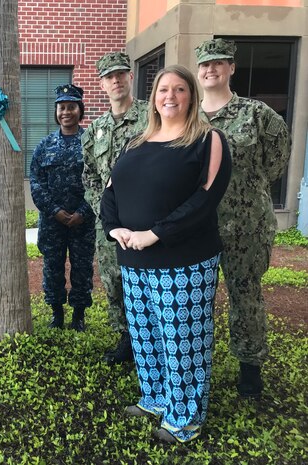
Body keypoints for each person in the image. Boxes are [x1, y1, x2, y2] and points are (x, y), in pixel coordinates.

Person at [100, 64, 232, 443]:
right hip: (134, 258)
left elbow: (205, 199)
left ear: (191, 96)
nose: (170, 97)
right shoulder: (135, 143)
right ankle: (156, 398)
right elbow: (111, 192)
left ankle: (186, 420)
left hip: (184, 261)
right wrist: (115, 228)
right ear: (153, 98)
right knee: (145, 335)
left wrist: (156, 233)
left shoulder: (209, 140)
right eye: (162, 90)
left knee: (182, 341)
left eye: (179, 90)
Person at [195, 38, 291, 399]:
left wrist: (247, 190)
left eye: (219, 63)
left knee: (245, 296)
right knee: (195, 300)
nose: (211, 69)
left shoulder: (257, 113)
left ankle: (250, 368)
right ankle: (196, 365)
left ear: (232, 68)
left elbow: (277, 159)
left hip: (246, 227)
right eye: (205, 64)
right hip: (197, 226)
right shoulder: (189, 116)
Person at [82, 52, 148, 361]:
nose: (116, 80)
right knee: (114, 280)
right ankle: (126, 340)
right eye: (109, 77)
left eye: (121, 73)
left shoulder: (153, 117)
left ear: (131, 77)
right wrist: (105, 212)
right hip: (109, 223)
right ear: (102, 84)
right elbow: (90, 175)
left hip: (148, 218)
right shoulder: (95, 130)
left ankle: (151, 341)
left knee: (148, 280)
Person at [30, 84, 95, 331]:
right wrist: (54, 211)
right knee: (52, 268)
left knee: (82, 268)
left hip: (83, 220)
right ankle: (56, 314)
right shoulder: (44, 146)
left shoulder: (91, 142)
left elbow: (100, 179)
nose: (66, 112)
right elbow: (36, 183)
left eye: (71, 107)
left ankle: (78, 316)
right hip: (52, 221)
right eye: (61, 107)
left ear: (80, 110)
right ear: (56, 112)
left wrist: (83, 212)